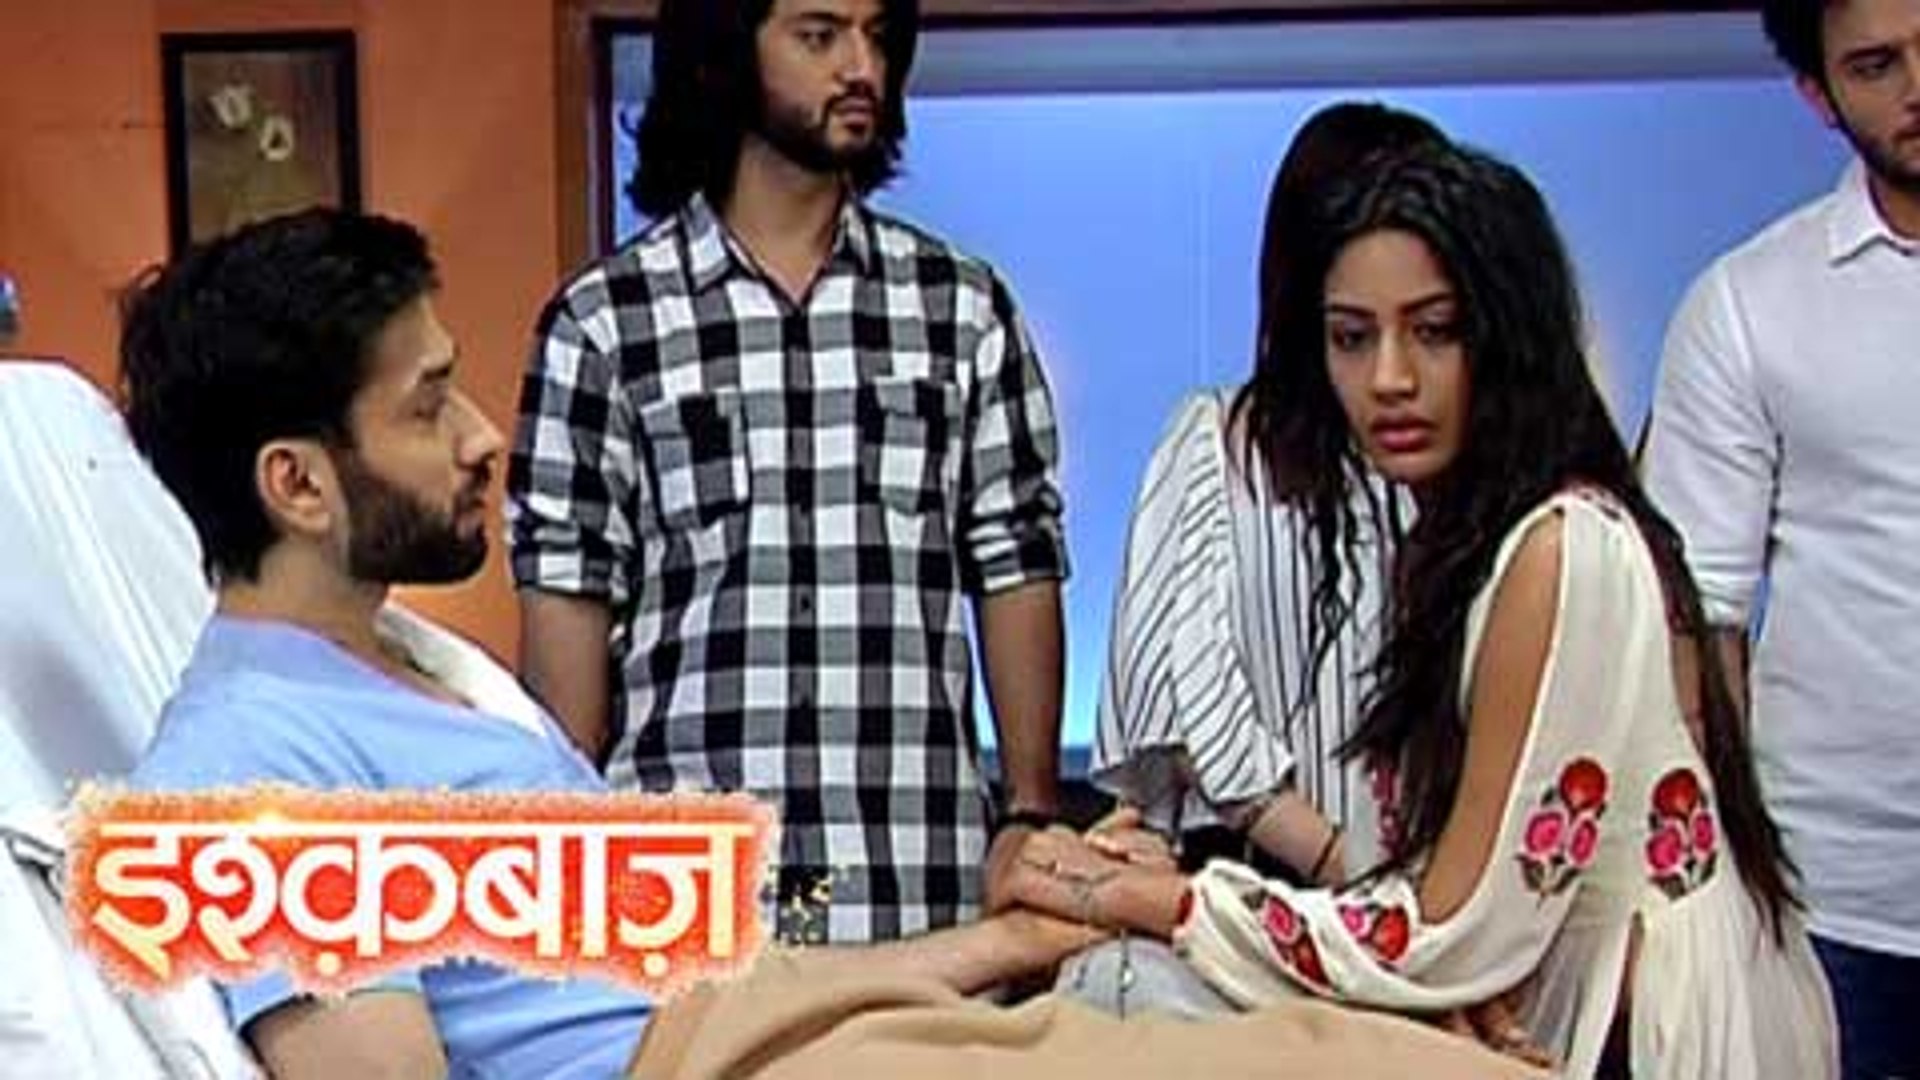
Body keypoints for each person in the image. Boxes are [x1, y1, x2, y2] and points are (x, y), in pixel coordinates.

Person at [118, 209, 1101, 1079]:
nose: (482, 437)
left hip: (777, 1025)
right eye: (428, 406)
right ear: (297, 485)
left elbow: (727, 982)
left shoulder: (436, 685)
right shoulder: (242, 774)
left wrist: (1009, 942)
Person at [1005, 142, 1838, 1079]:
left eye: (1435, 331)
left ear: (1509, 334)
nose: (1388, 378)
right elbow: (1450, 907)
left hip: (1652, 1033)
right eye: (1351, 337)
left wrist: (1167, 902)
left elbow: (1451, 930)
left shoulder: (1563, 546)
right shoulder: (1470, 536)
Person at [508, 0, 1070, 946]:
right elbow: (567, 589)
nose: (861, 67)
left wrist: (1029, 811)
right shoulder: (605, 324)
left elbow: (1015, 558)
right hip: (687, 897)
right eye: (820, 35)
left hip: (914, 882)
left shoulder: (958, 309)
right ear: (727, 52)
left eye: (878, 37)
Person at [1638, 2, 1920, 1074]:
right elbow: (1698, 621)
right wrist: (1722, 881)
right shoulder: (1750, 304)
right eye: (1877, 65)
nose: (1917, 86)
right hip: (1839, 899)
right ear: (1819, 94)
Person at [1094, 101, 1443, 884]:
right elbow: (1184, 694)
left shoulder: (1478, 466)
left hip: (1457, 895)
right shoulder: (1216, 441)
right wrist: (1344, 866)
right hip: (1264, 887)